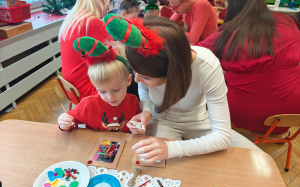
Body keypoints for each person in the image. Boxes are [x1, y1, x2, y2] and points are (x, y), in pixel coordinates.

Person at [103, 14, 260, 163]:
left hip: (198, 121)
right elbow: (144, 91)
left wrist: (172, 148)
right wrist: (147, 111)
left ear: (173, 73)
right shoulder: (145, 59)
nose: (136, 80)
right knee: (154, 165)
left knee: (254, 157)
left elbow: (222, 136)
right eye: (135, 72)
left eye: (145, 77)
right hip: (163, 120)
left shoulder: (207, 67)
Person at [198, 0, 300, 134]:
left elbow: (194, 55)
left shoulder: (229, 34)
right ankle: (276, 131)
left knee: (203, 91)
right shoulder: (289, 23)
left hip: (243, 113)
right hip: (294, 111)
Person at [58, 37, 141, 133]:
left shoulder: (134, 102)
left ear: (128, 80)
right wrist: (63, 123)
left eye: (116, 90)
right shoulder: (88, 105)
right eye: (102, 91)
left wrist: (137, 129)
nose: (110, 97)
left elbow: (137, 126)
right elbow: (71, 122)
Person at [59, 0, 111, 103]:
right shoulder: (91, 22)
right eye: (108, 3)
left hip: (74, 90)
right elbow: (114, 53)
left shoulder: (73, 19)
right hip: (88, 92)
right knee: (128, 78)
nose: (108, 8)